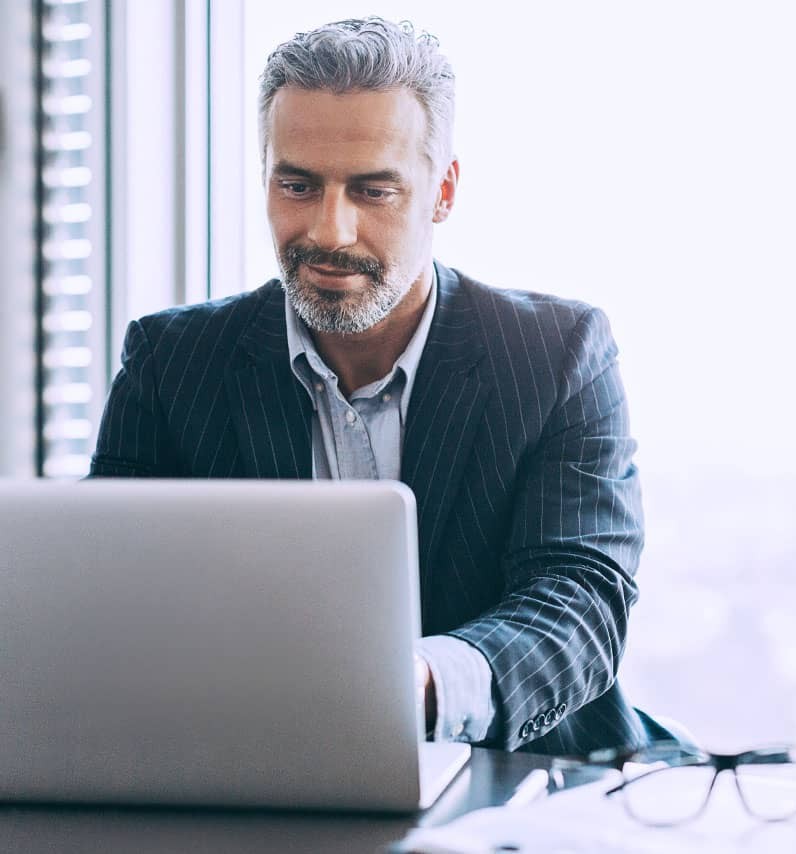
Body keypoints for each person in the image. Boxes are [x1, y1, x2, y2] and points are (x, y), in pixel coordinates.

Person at [90, 17, 670, 755]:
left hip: (517, 784)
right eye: (296, 184)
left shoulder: (557, 354)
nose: (330, 232)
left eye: (373, 190)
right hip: (252, 776)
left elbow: (579, 599)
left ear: (443, 191)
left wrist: (422, 681)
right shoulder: (170, 362)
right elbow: (114, 600)